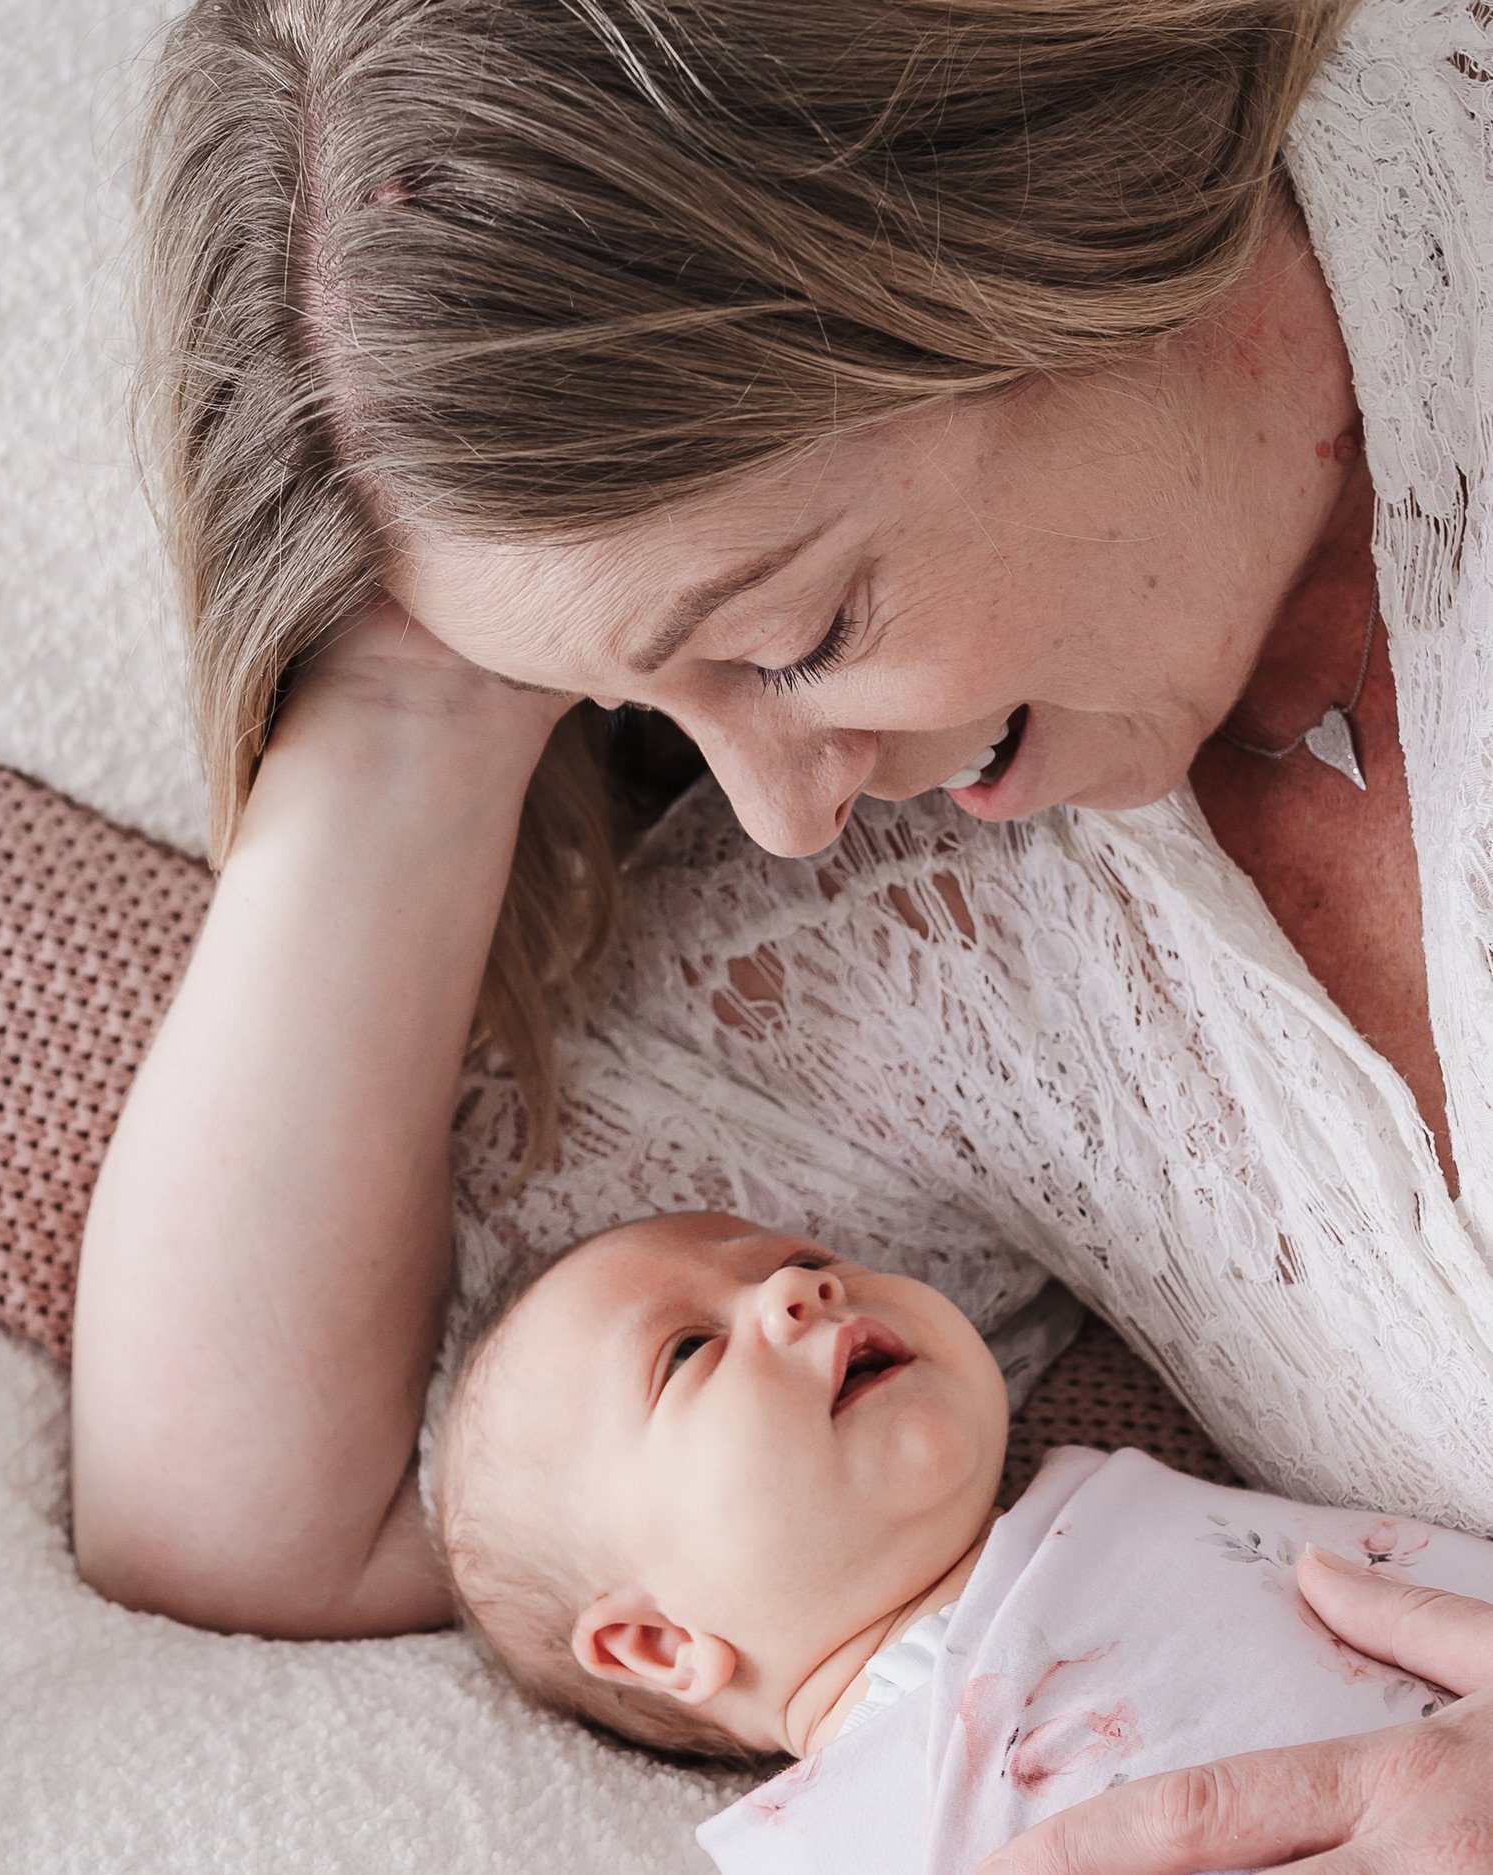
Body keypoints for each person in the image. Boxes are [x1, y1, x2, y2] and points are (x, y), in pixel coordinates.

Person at [72, 0, 1493, 1867]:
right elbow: (242, 1517)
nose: (787, 806)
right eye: (653, 709)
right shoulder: (944, 896)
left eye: (802, 635)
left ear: (1033, 231)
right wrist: (427, 678)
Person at [431, 1208, 1493, 1875]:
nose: (798, 1289)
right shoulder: (833, 1835)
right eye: (690, 1350)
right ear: (660, 1644)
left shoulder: (1138, 1500)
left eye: (805, 1257)